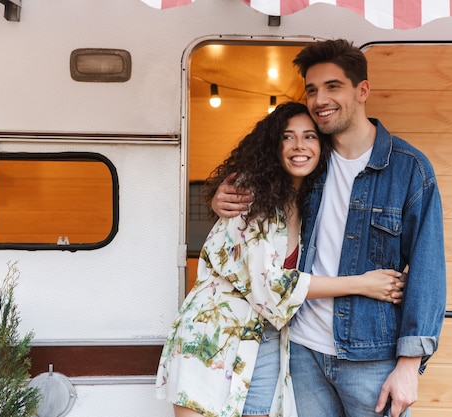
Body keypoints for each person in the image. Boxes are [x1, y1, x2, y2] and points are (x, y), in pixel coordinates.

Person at [212, 39, 447, 417]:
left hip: (370, 356)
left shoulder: (409, 169)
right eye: (312, 89)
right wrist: (221, 196)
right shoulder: (307, 159)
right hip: (302, 349)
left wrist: (409, 365)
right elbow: (257, 193)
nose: (320, 99)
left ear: (362, 90)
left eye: (332, 87)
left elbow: (428, 270)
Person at [156, 101, 405, 417]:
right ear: (273, 146)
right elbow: (272, 288)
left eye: (310, 136)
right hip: (214, 333)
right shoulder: (250, 195)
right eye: (288, 137)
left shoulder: (308, 203)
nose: (299, 145)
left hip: (267, 337)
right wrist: (363, 284)